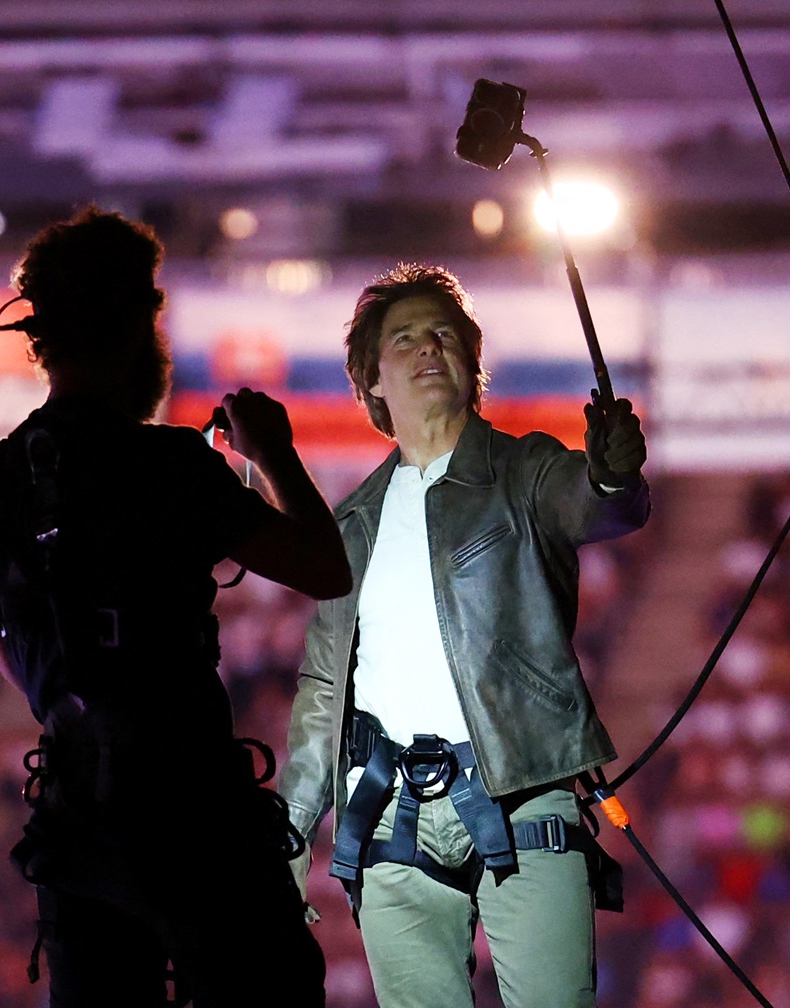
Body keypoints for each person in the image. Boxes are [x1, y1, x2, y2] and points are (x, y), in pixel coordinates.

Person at [0, 207, 349, 1007]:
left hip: (77, 824)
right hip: (197, 816)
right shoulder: (171, 464)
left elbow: (13, 653)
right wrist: (272, 452)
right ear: (138, 325)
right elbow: (324, 568)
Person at [279, 263, 650, 1008]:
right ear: (372, 378)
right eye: (405, 338)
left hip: (523, 792)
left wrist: (611, 475)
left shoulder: (527, 470)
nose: (428, 347)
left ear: (471, 362)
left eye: (444, 334)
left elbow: (596, 504)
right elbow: (324, 691)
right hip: (387, 816)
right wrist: (289, 838)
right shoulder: (351, 524)